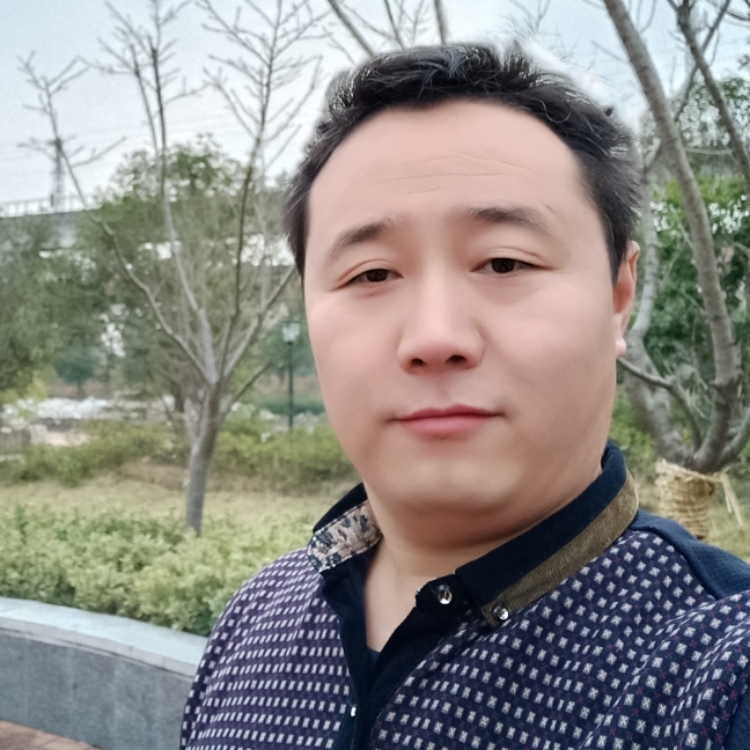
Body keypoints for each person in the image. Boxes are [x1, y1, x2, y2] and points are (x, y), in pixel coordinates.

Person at [181, 45, 750, 750]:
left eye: (504, 262)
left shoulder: (718, 677)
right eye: (372, 274)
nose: (435, 337)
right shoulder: (253, 620)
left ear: (617, 297)